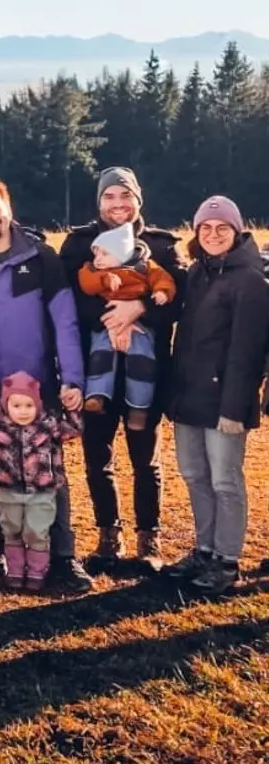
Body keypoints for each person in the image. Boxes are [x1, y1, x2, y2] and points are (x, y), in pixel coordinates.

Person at [0, 178, 92, 594]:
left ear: (8, 209)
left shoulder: (42, 258)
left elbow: (65, 321)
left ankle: (62, 556)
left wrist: (73, 379)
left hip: (39, 387)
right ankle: (6, 547)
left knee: (50, 470)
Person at [59, 167, 185, 572]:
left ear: (138, 199)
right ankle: (108, 536)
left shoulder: (161, 247)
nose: (118, 204)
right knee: (98, 457)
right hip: (96, 368)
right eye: (109, 196)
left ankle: (149, 538)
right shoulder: (80, 245)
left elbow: (180, 301)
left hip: (147, 371)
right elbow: (67, 299)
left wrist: (140, 308)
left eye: (125, 196)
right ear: (99, 202)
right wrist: (113, 318)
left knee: (145, 458)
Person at [164, 196, 269, 597]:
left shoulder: (251, 282)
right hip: (189, 396)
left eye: (222, 228)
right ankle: (204, 549)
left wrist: (234, 409)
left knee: (225, 480)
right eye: (205, 228)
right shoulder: (197, 273)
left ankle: (226, 559)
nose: (213, 234)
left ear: (236, 231)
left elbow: (247, 351)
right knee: (194, 475)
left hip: (225, 401)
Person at [0, 373, 82, 593]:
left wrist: (72, 409)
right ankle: (14, 570)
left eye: (29, 405)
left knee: (37, 532)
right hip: (8, 489)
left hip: (41, 491)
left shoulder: (47, 423)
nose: (23, 411)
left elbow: (74, 429)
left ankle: (37, 570)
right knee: (11, 530)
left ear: (37, 404)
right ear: (6, 405)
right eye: (16, 405)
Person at [77, 223, 177, 429]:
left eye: (105, 253)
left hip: (140, 325)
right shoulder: (94, 270)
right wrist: (104, 279)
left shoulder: (145, 266)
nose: (98, 258)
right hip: (106, 323)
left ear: (122, 254)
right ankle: (97, 394)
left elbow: (164, 279)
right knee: (100, 355)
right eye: (96, 253)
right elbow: (85, 283)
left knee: (142, 360)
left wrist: (162, 292)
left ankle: (139, 406)